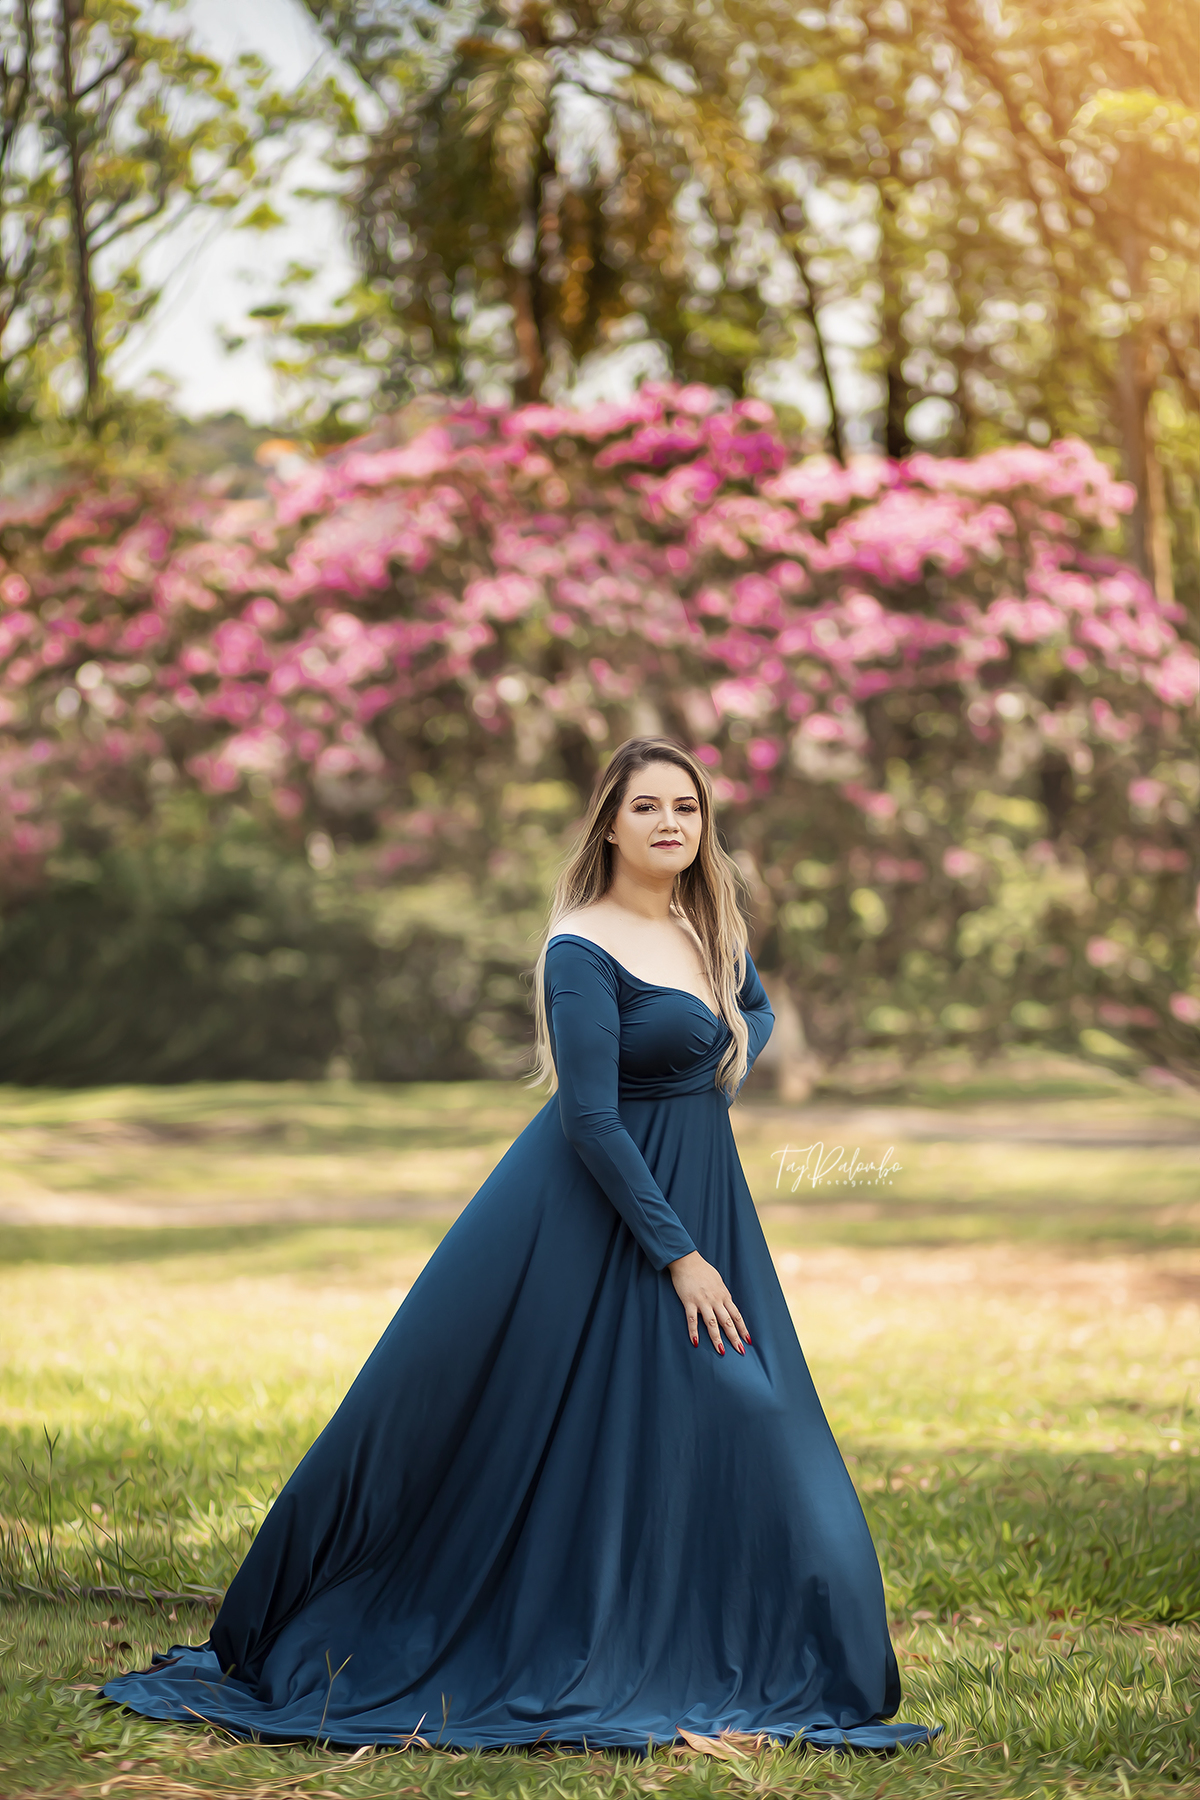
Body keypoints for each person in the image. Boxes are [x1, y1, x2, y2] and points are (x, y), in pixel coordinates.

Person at [101, 736, 935, 1753]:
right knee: (688, 1419)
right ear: (609, 825)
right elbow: (590, 1119)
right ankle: (558, 1637)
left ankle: (746, 1654)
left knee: (730, 1433)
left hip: (704, 1208)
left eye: (688, 807)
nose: (671, 823)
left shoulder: (705, 924)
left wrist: (729, 1061)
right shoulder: (581, 947)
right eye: (646, 809)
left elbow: (747, 1008)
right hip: (603, 1221)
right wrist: (678, 1255)